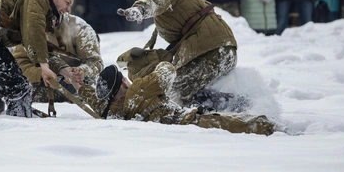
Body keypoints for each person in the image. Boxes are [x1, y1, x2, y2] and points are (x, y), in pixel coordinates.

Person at [116, 0, 238, 105]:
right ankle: (230, 105)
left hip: (211, 51)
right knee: (186, 91)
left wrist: (140, 8)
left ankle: (236, 105)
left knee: (175, 90)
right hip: (219, 48)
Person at [71, 63, 274, 134]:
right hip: (189, 123)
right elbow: (168, 71)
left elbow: (97, 101)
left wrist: (79, 86)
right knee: (236, 125)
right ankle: (271, 128)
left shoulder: (112, 111)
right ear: (124, 82)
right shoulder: (140, 88)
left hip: (176, 130)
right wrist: (156, 67)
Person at [13, 13, 102, 103]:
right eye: (67, 3)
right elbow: (19, 65)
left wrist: (80, 71)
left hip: (80, 85)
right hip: (42, 87)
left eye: (69, 3)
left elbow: (96, 63)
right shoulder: (31, 29)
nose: (68, 8)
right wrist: (42, 74)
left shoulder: (80, 27)